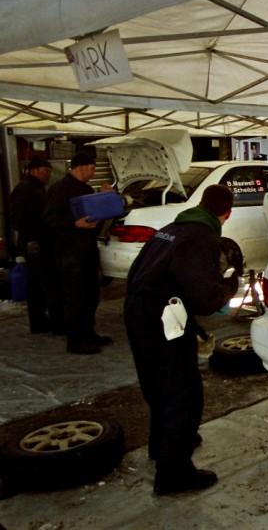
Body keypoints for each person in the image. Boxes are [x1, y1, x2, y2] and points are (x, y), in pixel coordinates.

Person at [124, 184, 239, 495]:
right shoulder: (201, 239)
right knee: (183, 393)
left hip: (138, 311)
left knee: (157, 382)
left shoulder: (170, 229)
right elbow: (205, 299)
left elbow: (142, 272)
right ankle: (173, 474)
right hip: (164, 318)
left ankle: (163, 444)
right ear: (226, 214)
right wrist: (231, 284)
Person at [43, 150, 111, 354]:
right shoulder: (60, 189)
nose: (93, 172)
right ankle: (75, 340)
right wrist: (73, 223)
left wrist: (105, 198)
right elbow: (48, 220)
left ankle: (88, 333)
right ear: (82, 167)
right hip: (69, 252)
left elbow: (96, 216)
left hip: (87, 249)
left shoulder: (86, 189)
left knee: (91, 294)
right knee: (75, 297)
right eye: (92, 168)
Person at [9, 157, 54, 333]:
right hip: (33, 242)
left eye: (49, 172)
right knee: (36, 282)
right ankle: (38, 321)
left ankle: (41, 319)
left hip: (38, 240)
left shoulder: (36, 188)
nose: (48, 175)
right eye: (45, 171)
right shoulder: (25, 189)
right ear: (34, 170)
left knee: (41, 282)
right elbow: (18, 219)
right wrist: (30, 239)